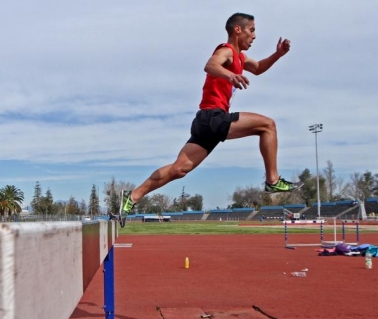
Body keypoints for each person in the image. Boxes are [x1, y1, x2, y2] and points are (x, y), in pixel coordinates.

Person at [118, 13, 302, 227]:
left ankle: (132, 197)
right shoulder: (226, 50)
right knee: (268, 125)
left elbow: (259, 68)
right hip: (213, 117)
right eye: (252, 30)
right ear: (238, 30)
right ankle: (273, 181)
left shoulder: (241, 58)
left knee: (179, 169)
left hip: (204, 123)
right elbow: (210, 65)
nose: (255, 36)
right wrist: (229, 76)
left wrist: (278, 54)